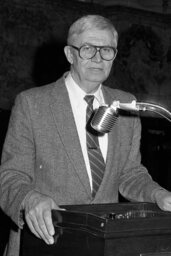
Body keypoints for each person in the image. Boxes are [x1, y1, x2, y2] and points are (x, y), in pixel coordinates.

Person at [1, 14, 171, 256]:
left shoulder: (126, 103)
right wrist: (29, 199)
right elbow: (10, 176)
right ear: (70, 54)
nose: (98, 58)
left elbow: (130, 174)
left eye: (107, 50)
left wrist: (159, 195)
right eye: (88, 49)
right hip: (42, 243)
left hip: (104, 246)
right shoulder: (32, 104)